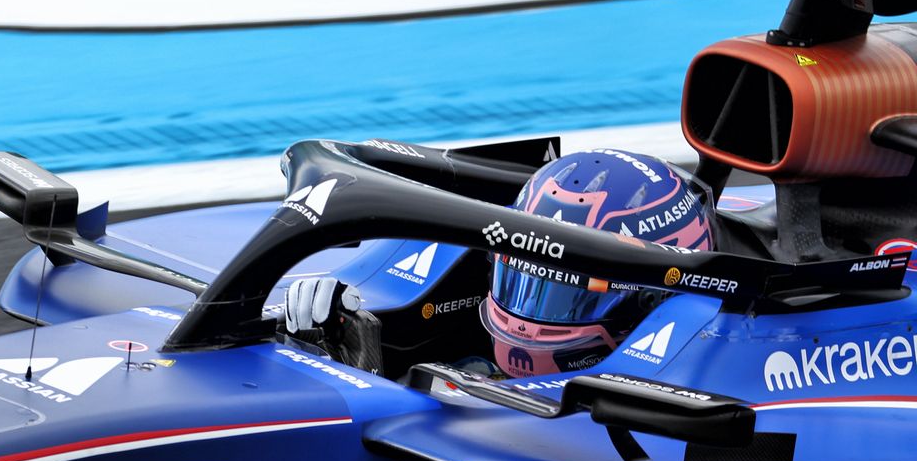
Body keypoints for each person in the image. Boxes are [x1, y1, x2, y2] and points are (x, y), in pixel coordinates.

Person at [284, 148, 716, 377]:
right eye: (522, 278)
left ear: (650, 299)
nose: (527, 321)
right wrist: (357, 376)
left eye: (566, 292)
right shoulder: (474, 374)